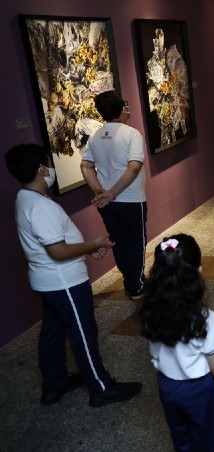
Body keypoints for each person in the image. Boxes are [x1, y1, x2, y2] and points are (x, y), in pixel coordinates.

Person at [5, 143, 142, 408]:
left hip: (48, 281)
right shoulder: (40, 207)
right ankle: (101, 387)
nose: (51, 169)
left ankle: (55, 383)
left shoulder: (25, 198)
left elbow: (57, 245)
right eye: (48, 164)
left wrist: (87, 250)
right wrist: (93, 245)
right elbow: (57, 251)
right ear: (40, 169)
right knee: (83, 332)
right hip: (64, 282)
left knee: (53, 332)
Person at [139, 234, 214, 451]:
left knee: (181, 439)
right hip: (201, 390)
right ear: (199, 272)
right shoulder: (203, 317)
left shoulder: (149, 310)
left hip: (167, 386)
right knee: (212, 442)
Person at [80, 90, 148, 300]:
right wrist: (110, 193)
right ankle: (135, 286)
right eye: (125, 106)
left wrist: (99, 191)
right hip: (131, 199)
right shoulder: (132, 134)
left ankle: (130, 279)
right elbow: (134, 168)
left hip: (108, 203)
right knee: (137, 241)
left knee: (119, 240)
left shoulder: (95, 136)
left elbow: (85, 166)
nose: (128, 109)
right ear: (121, 109)